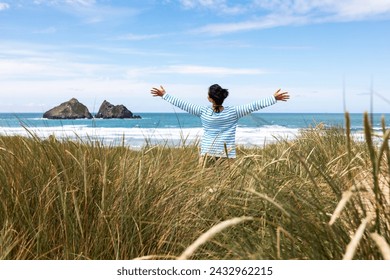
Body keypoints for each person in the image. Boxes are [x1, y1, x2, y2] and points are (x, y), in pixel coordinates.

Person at [150, 84, 289, 163]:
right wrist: (273, 98)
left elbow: (183, 104)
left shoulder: (203, 111)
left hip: (207, 153)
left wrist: (164, 95)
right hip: (226, 154)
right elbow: (254, 106)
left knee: (204, 184)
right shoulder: (234, 111)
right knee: (226, 186)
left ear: (210, 98)